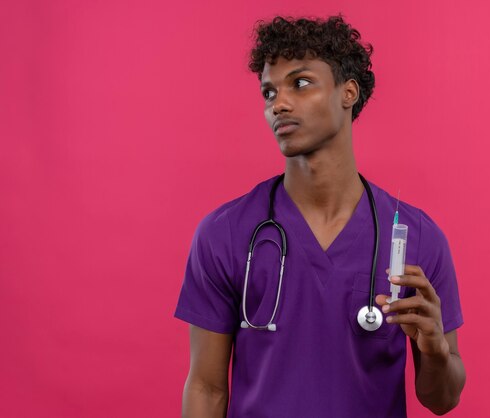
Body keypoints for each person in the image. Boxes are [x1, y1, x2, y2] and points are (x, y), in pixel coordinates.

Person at [174, 15, 466, 417]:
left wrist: (434, 350)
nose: (279, 103)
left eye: (301, 82)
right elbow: (206, 388)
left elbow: (442, 399)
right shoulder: (225, 233)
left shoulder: (417, 238)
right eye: (268, 91)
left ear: (348, 93)